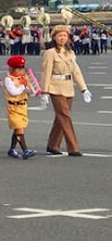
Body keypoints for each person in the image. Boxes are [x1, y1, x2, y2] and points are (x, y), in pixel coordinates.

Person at [41, 25, 92, 156]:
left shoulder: (70, 53)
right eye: (59, 35)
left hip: (68, 86)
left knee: (60, 118)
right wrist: (45, 92)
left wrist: (83, 89)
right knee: (65, 116)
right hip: (55, 87)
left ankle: (53, 145)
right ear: (54, 38)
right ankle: (73, 147)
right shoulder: (50, 53)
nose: (62, 38)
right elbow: (46, 73)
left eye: (64, 35)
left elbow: (76, 72)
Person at [4, 56, 36, 160]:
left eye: (22, 68)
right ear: (12, 69)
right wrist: (23, 85)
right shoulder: (8, 79)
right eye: (18, 68)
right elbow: (13, 92)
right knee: (19, 128)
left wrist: (29, 86)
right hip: (14, 106)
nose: (21, 70)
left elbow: (31, 93)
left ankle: (12, 149)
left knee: (17, 129)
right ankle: (25, 150)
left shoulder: (23, 78)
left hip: (23, 106)